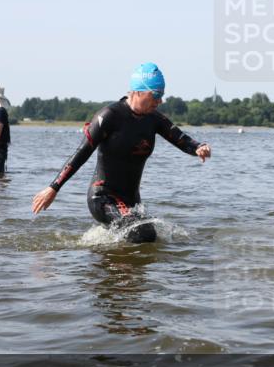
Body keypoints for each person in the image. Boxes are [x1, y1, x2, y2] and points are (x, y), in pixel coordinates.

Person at [31, 62, 212, 243]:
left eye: (162, 95)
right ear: (138, 91)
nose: (160, 101)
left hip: (132, 201)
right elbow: (81, 153)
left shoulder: (154, 119)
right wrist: (53, 188)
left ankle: (108, 261)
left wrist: (198, 147)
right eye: (156, 95)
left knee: (147, 235)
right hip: (103, 197)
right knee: (144, 234)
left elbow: (180, 138)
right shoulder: (109, 116)